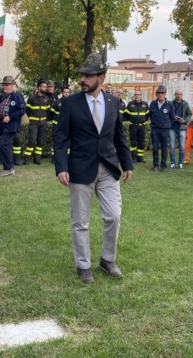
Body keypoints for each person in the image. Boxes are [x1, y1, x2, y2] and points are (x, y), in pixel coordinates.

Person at [53, 53, 133, 284]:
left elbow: (119, 135)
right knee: (80, 221)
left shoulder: (113, 102)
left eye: (88, 76)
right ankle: (83, 265)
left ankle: (107, 260)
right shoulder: (70, 103)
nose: (83, 79)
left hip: (108, 167)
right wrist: (61, 167)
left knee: (113, 216)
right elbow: (61, 138)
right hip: (80, 169)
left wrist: (127, 163)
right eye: (82, 75)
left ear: (101, 78)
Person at [0, 75, 26, 177]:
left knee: (4, 145)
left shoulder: (16, 97)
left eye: (7, 85)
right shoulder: (2, 96)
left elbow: (22, 110)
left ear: (13, 85)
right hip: (2, 125)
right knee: (5, 145)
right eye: (4, 85)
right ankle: (7, 167)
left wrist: (10, 117)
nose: (5, 87)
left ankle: (9, 168)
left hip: (11, 125)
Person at [24, 79, 51, 165]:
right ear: (39, 87)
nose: (45, 88)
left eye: (46, 87)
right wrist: (32, 119)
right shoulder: (31, 98)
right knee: (32, 140)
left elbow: (48, 112)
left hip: (43, 123)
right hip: (34, 123)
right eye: (44, 87)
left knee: (40, 141)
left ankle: (37, 159)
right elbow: (27, 111)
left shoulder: (46, 99)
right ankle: (27, 159)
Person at [149, 85, 175, 172]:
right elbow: (151, 116)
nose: (160, 95)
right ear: (156, 94)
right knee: (155, 148)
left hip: (165, 130)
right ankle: (155, 165)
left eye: (162, 93)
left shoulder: (169, 104)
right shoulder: (153, 104)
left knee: (164, 149)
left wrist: (167, 125)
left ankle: (163, 166)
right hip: (155, 129)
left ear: (165, 94)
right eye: (159, 93)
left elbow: (172, 117)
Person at [124, 91, 150, 163]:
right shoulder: (130, 104)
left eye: (138, 95)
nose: (136, 96)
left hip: (142, 127)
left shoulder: (145, 104)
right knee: (133, 142)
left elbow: (147, 115)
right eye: (135, 94)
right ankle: (134, 157)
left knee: (141, 142)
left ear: (140, 96)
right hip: (133, 126)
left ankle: (140, 158)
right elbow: (127, 115)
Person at [169, 89, 191, 169]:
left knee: (182, 147)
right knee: (172, 146)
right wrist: (172, 118)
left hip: (182, 127)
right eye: (177, 94)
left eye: (180, 94)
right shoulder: (170, 103)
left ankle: (180, 163)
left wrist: (185, 120)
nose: (179, 95)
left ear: (182, 95)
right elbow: (167, 114)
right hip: (172, 127)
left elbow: (189, 114)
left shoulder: (185, 103)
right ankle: (173, 162)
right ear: (174, 94)